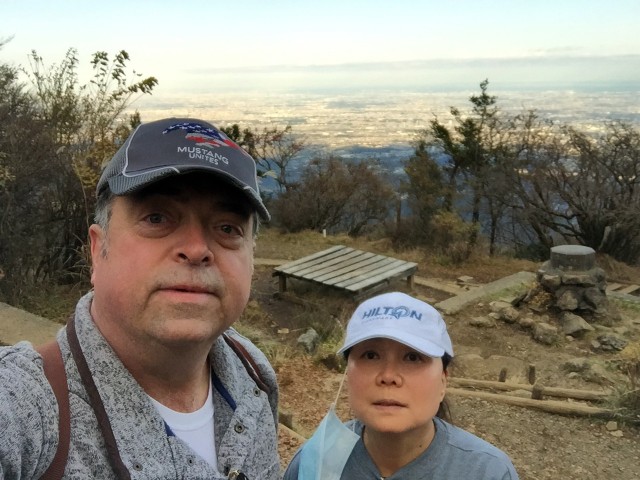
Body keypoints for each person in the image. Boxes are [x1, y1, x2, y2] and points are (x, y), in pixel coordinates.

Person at [0, 118, 280, 479]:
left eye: (227, 228)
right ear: (99, 249)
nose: (197, 249)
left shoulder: (253, 376)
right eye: (157, 218)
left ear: (251, 260)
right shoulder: (28, 406)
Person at [284, 291, 519, 480]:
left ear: (443, 381)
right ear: (348, 374)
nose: (388, 376)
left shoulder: (487, 471)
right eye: (370, 355)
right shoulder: (315, 462)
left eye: (413, 357)